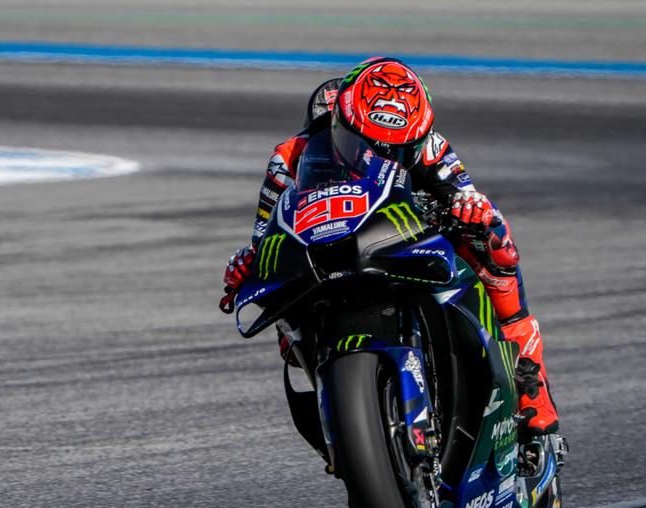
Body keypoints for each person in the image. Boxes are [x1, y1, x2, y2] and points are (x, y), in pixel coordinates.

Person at [220, 57, 559, 435]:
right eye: (364, 144)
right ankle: (341, 418)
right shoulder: (290, 157)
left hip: (402, 236)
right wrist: (249, 263)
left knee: (494, 238)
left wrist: (473, 210)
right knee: (283, 323)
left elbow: (465, 195)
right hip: (325, 247)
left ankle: (529, 376)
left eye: (397, 150)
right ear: (339, 124)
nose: (381, 156)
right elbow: (266, 232)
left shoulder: (430, 146)